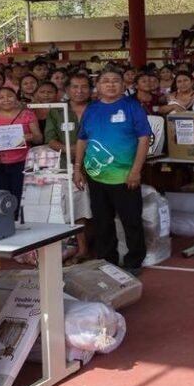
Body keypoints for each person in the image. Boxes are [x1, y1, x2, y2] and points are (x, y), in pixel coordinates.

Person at [72, 69, 152, 273]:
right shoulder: (91, 109)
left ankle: (134, 260)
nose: (110, 84)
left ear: (123, 85)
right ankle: (107, 259)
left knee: (131, 220)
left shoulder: (132, 107)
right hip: (96, 175)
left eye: (115, 81)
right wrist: (77, 168)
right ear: (97, 87)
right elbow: (82, 139)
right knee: (102, 221)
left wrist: (136, 170)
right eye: (105, 81)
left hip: (125, 175)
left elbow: (144, 139)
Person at [0, 86, 42, 207]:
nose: (6, 100)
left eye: (10, 96)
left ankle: (18, 222)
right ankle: (4, 222)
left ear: (16, 98)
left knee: (20, 195)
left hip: (22, 162)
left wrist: (30, 137)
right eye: (1, 97)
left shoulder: (27, 114)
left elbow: (39, 138)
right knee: (1, 197)